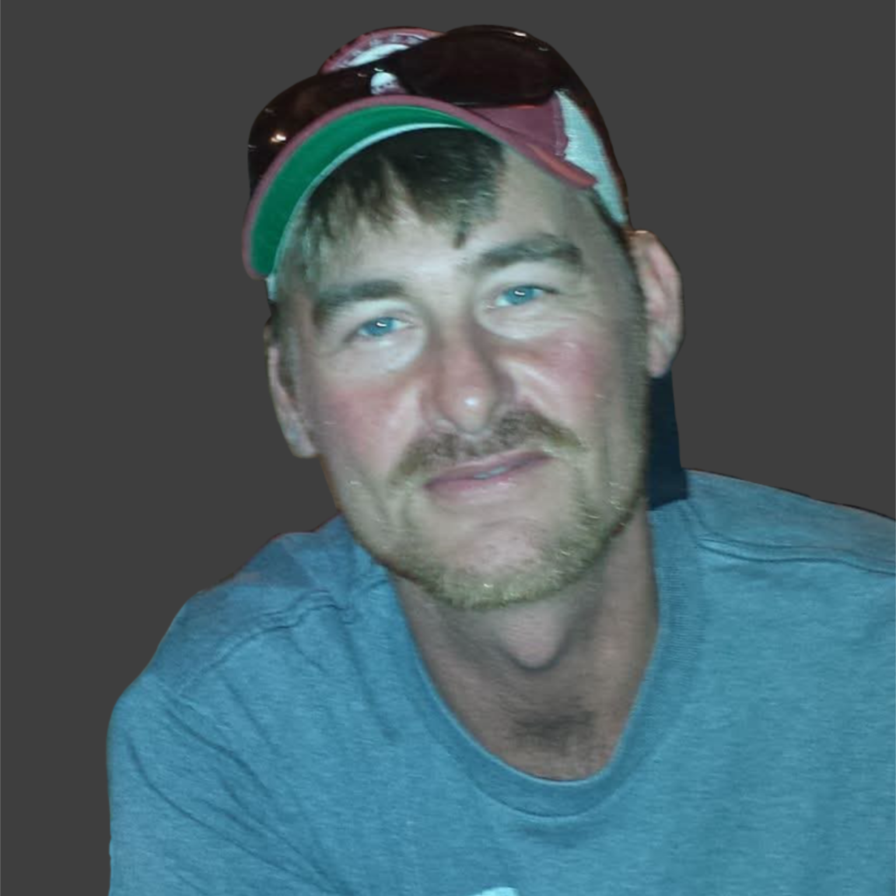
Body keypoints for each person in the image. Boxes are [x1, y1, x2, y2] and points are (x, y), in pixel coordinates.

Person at [106, 25, 896, 895]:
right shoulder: (232, 729)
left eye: (521, 293)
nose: (468, 396)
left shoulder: (876, 658)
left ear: (652, 304)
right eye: (378, 326)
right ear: (291, 394)